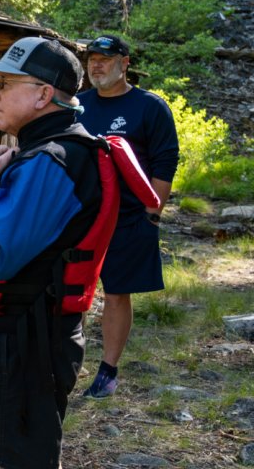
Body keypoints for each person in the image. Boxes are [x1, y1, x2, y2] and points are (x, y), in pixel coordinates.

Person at [0, 37, 121, 468]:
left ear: (44, 94)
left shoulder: (52, 159)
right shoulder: (51, 150)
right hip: (20, 333)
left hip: (22, 343)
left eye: (5, 83)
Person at [75, 35, 179, 398]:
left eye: (105, 59)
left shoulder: (149, 107)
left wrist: (153, 211)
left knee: (117, 293)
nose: (96, 65)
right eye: (92, 59)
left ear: (125, 63)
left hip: (129, 217)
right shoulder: (78, 105)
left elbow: (165, 161)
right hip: (81, 216)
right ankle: (71, 359)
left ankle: (108, 370)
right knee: (73, 290)